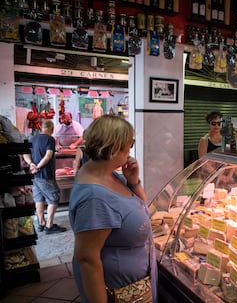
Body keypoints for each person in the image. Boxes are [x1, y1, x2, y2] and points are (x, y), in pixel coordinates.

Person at [69, 115, 156, 303]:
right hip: (118, 291)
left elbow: (142, 207)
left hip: (133, 286)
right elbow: (87, 258)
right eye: (130, 143)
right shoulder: (94, 197)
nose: (131, 149)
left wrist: (133, 181)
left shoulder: (107, 174)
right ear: (116, 148)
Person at [23, 119, 67, 234]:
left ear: (41, 128)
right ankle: (49, 226)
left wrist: (31, 164)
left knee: (39, 199)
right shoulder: (50, 139)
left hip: (34, 176)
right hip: (45, 175)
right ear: (51, 129)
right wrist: (38, 166)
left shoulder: (32, 138)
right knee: (54, 199)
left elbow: (25, 153)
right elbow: (48, 156)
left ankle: (41, 223)